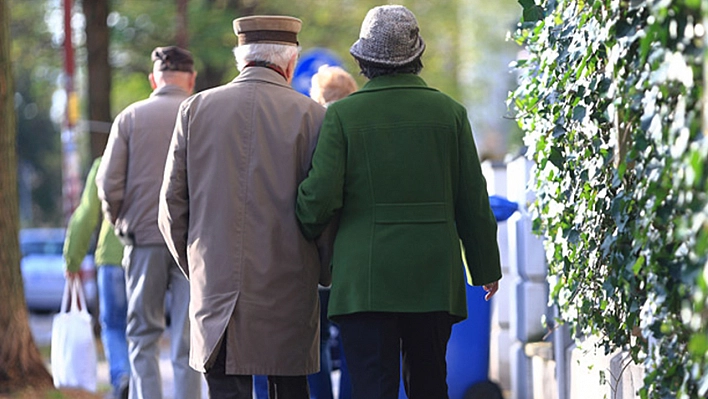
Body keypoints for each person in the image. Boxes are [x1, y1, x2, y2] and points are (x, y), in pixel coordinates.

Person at [295, 5, 502, 399]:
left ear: (362, 60)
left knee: (372, 388)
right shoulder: (450, 113)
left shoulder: (343, 117)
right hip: (432, 278)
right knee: (429, 384)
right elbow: (471, 200)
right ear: (417, 56)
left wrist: (302, 224)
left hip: (364, 281)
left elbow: (319, 198)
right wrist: (485, 267)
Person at [158, 15, 332, 399]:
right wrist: (323, 269)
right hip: (289, 290)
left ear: (241, 59)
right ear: (290, 63)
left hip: (217, 293)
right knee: (289, 388)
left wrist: (198, 266)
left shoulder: (195, 110)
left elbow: (172, 206)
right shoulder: (314, 117)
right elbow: (324, 207)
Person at [95, 45, 202, 399]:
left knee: (142, 336)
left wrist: (121, 223)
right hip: (193, 244)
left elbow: (108, 183)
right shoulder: (202, 113)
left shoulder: (130, 117)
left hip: (144, 240)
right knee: (188, 340)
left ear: (153, 78)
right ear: (192, 78)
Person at [306, 65, 356, 399]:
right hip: (354, 254)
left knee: (317, 339)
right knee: (355, 339)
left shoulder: (308, 129)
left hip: (313, 256)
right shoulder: (357, 127)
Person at [63, 156, 129, 399]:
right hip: (144, 255)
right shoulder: (153, 158)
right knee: (144, 328)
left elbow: (87, 214)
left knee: (113, 326)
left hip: (111, 259)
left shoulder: (104, 163)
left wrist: (72, 259)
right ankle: (141, 384)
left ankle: (122, 377)